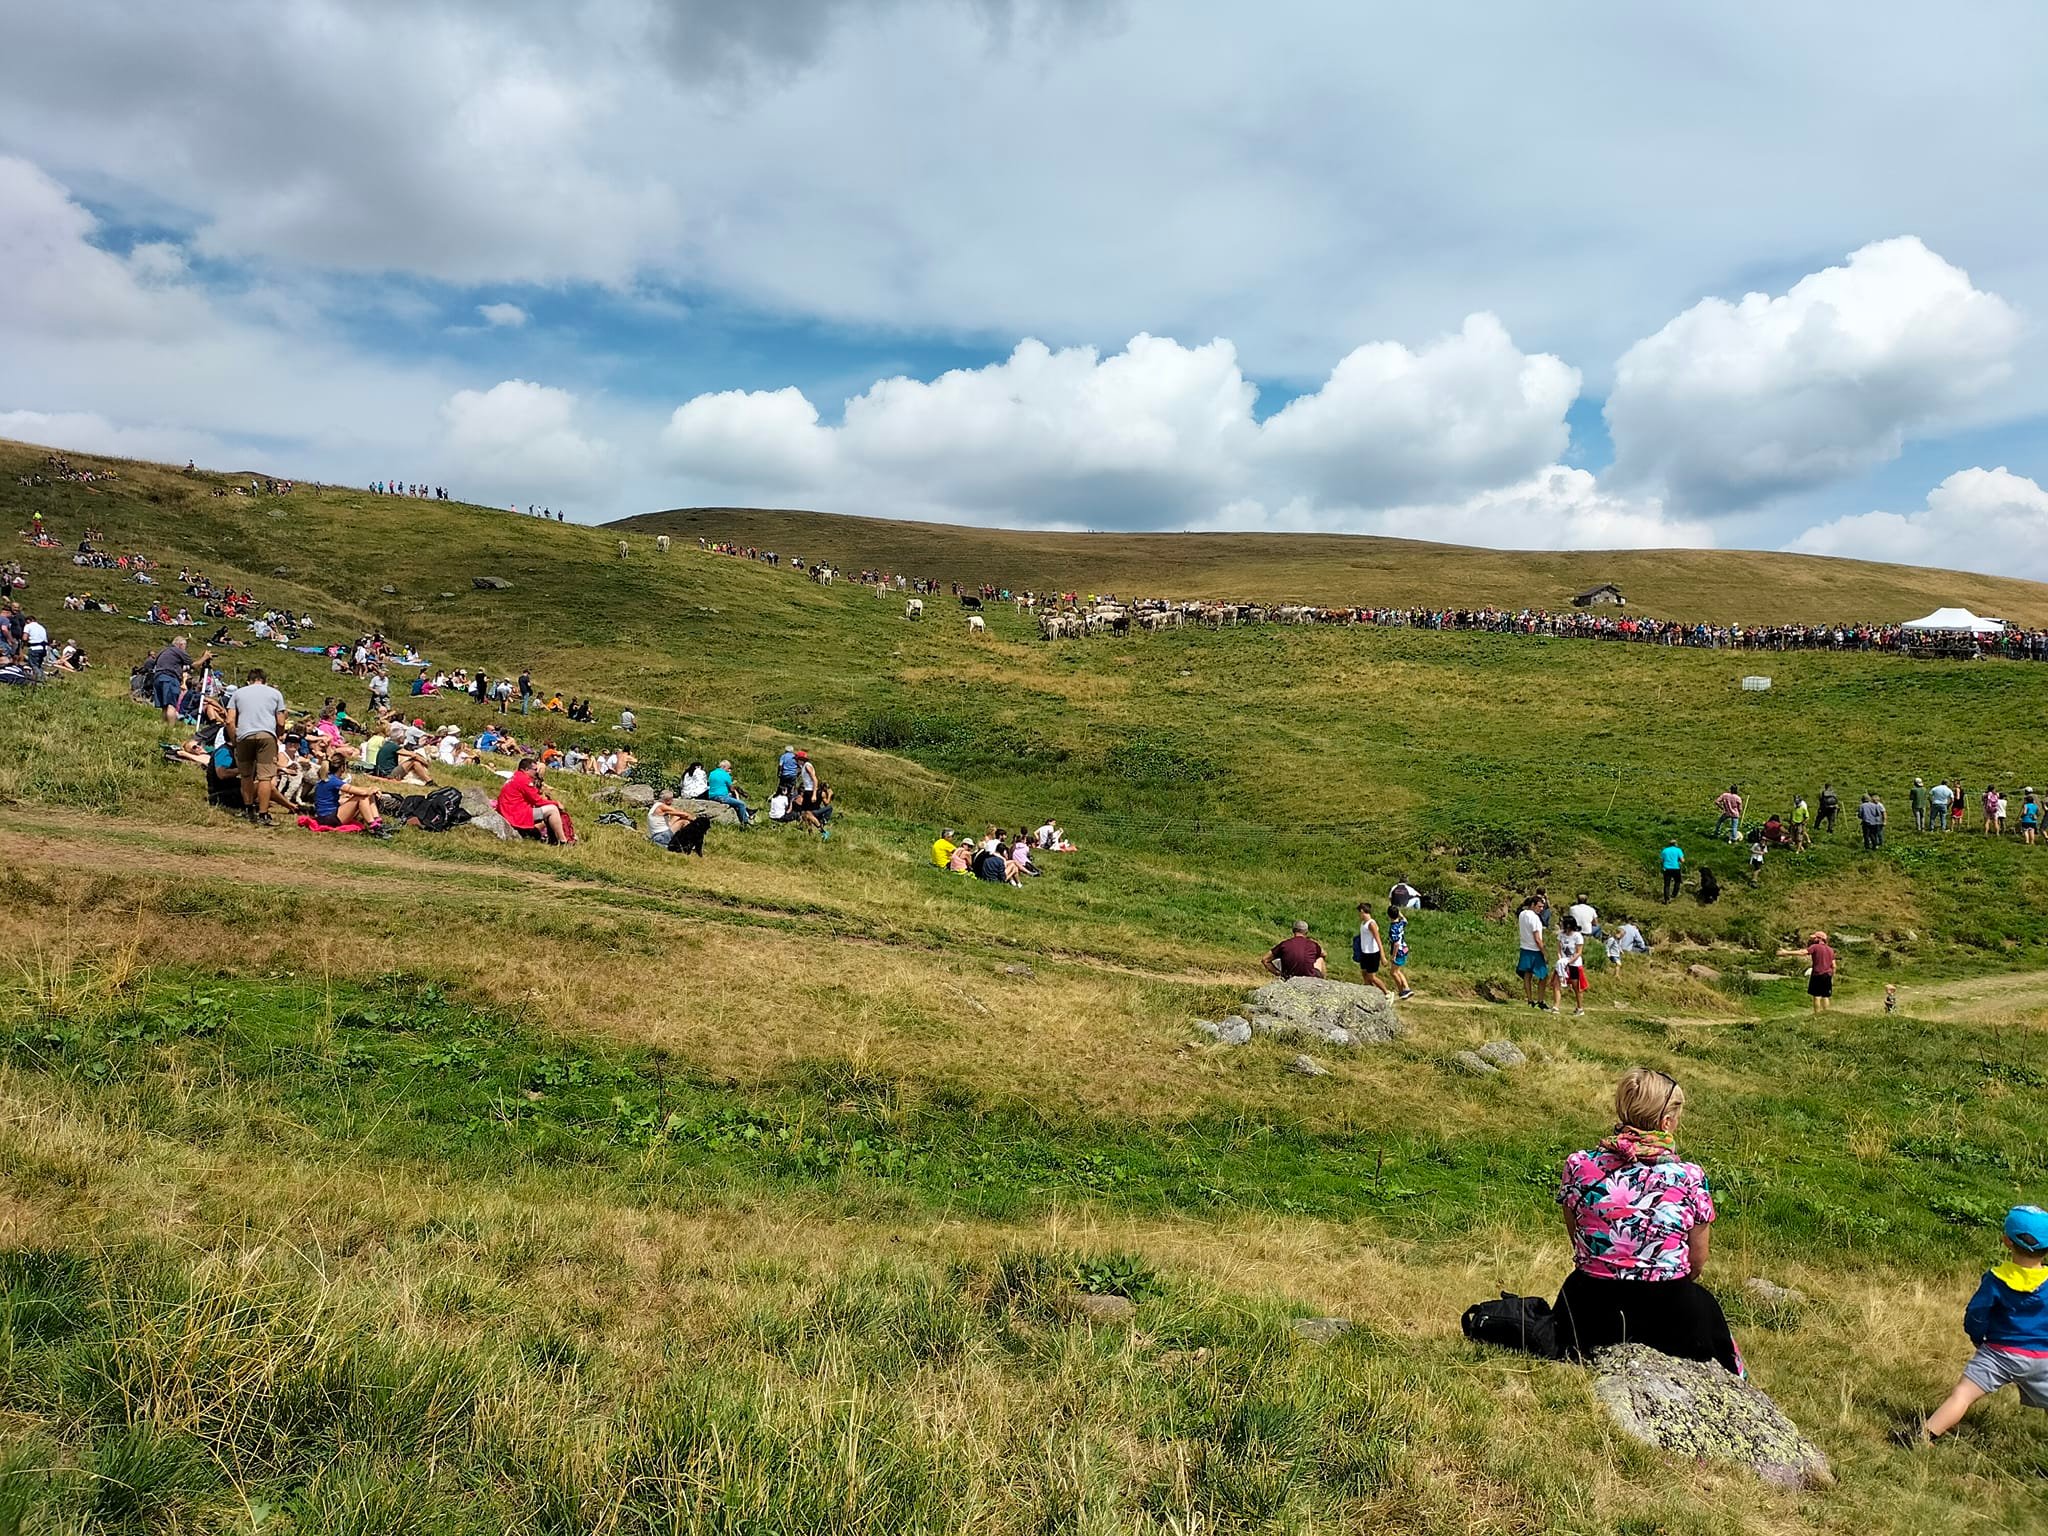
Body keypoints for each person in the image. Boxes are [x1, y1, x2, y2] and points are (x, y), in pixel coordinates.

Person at [1552, 1069, 1740, 1376]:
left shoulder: (1579, 1165)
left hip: (1588, 1309)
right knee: (1708, 1311)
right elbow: (1696, 1261)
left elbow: (1579, 1240)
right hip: (1669, 1309)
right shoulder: (1689, 1176)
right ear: (1666, 1122)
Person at [1911, 1205, 2048, 1443]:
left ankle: (1924, 1436)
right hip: (2043, 1357)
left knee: (1962, 1395)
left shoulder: (1995, 1280)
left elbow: (1976, 1313)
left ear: (2006, 1241)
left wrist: (1977, 1336)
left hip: (1999, 1354)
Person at [225, 665, 287, 827]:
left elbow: (229, 720)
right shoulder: (275, 694)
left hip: (244, 735)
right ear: (265, 681)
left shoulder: (238, 693)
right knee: (265, 777)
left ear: (249, 680)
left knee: (246, 775)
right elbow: (281, 721)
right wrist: (278, 735)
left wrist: (235, 739)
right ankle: (263, 814)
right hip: (266, 735)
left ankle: (247, 809)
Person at [497, 756, 574, 844]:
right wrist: (556, 803)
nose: (536, 772)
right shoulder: (524, 780)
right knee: (552, 809)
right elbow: (537, 801)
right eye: (535, 769)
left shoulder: (516, 776)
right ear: (526, 769)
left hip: (508, 810)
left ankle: (547, 837)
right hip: (515, 813)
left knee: (547, 813)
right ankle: (563, 841)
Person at [311, 752, 389, 835]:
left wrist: (371, 789)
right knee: (362, 797)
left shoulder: (328, 778)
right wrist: (373, 789)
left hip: (325, 816)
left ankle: (377, 821)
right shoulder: (334, 781)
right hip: (329, 818)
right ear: (342, 767)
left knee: (367, 795)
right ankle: (374, 826)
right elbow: (361, 792)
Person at [1779, 930, 1836, 1013]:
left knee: (1816, 996)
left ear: (1819, 939)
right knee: (1825, 996)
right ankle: (1826, 1014)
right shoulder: (1831, 950)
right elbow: (1834, 965)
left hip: (1817, 974)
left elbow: (1802, 952)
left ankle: (1817, 1014)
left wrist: (1786, 952)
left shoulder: (1815, 947)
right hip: (1827, 975)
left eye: (1815, 938)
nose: (1813, 939)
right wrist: (1832, 976)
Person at [1516, 896, 1552, 1009]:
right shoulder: (1535, 918)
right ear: (1532, 905)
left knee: (1527, 974)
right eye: (1539, 906)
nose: (1541, 909)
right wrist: (1544, 952)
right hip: (1535, 949)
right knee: (1543, 975)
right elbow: (1537, 938)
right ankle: (1540, 1000)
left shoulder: (1522, 914)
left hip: (1525, 947)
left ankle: (1530, 999)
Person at [1352, 903, 1390, 994]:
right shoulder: (1363, 923)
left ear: (1362, 912)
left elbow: (1378, 939)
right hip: (1364, 952)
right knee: (1364, 974)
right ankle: (1369, 992)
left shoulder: (1371, 924)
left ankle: (1386, 992)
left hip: (1372, 953)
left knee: (1372, 977)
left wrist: (1382, 956)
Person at [1557, 913, 1587, 1016]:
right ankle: (1556, 1006)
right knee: (1557, 983)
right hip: (1562, 964)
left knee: (1576, 986)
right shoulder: (1561, 935)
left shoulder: (1577, 936)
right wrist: (1561, 961)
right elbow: (1559, 949)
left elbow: (1578, 952)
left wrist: (1569, 962)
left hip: (1574, 964)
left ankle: (1580, 1007)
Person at [705, 760, 752, 825]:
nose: (729, 770)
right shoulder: (725, 775)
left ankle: (746, 812)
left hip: (711, 795)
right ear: (724, 767)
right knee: (741, 804)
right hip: (722, 796)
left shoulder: (712, 773)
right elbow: (731, 788)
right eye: (728, 768)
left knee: (734, 800)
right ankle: (745, 822)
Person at [1385, 905, 1416, 1000]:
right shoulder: (1401, 923)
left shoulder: (1393, 928)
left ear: (1388, 915)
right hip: (1405, 948)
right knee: (1397, 971)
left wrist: (1393, 956)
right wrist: (1400, 913)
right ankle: (1406, 988)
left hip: (1398, 951)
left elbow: (1396, 944)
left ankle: (1402, 991)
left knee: (1393, 972)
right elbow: (1405, 920)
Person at [1659, 836, 1685, 903]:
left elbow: (1661, 860)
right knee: (1677, 881)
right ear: (1675, 844)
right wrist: (1678, 860)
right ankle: (1674, 895)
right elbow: (1682, 860)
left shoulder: (1665, 850)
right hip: (1676, 868)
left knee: (1667, 884)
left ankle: (1666, 899)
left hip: (1667, 868)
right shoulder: (1678, 850)